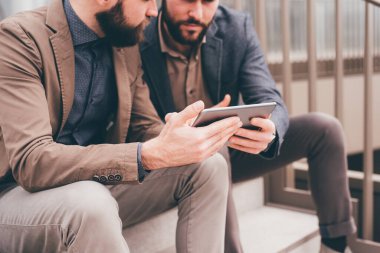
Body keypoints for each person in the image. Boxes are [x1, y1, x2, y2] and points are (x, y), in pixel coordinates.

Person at [0, 0, 244, 252]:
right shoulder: (19, 39)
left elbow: (145, 125)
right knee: (91, 202)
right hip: (15, 197)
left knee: (209, 165)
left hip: (95, 188)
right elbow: (33, 161)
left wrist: (180, 136)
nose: (153, 10)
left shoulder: (124, 41)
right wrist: (145, 156)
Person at [140, 0, 357, 252]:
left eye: (208, 1)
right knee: (213, 146)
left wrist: (271, 129)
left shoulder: (235, 28)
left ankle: (335, 247)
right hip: (168, 159)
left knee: (325, 130)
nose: (197, 13)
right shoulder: (140, 30)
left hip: (230, 150)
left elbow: (267, 94)